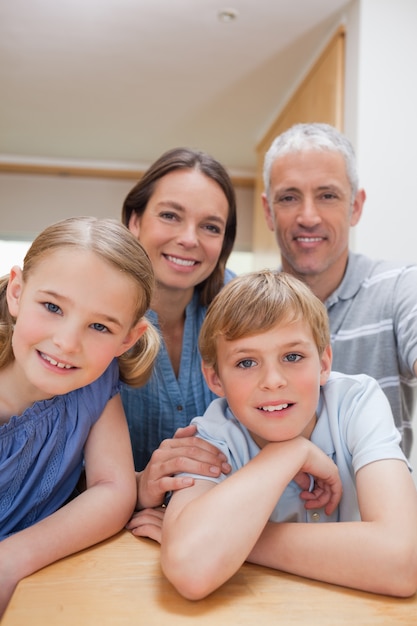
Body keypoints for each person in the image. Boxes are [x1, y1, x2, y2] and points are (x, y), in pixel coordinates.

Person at [159, 270, 417, 600]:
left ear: (324, 363)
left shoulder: (357, 403)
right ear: (215, 379)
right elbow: (190, 569)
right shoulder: (212, 437)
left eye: (292, 357)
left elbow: (402, 562)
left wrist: (239, 542)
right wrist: (289, 452)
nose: (273, 380)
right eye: (246, 362)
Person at [0, 216, 160, 617]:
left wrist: (14, 559)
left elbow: (114, 489)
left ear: (129, 338)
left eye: (100, 327)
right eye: (52, 307)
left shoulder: (96, 383)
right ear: (17, 292)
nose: (68, 342)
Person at [261, 122, 417, 458]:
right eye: (289, 197)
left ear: (355, 207)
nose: (308, 216)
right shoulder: (247, 308)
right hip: (269, 512)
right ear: (268, 211)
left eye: (327, 195)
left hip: (378, 510)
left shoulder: (399, 288)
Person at [120, 147, 236, 511]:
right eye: (170, 215)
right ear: (134, 221)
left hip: (219, 525)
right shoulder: (93, 312)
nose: (189, 239)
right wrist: (139, 486)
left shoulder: (242, 309)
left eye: (210, 227)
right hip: (102, 529)